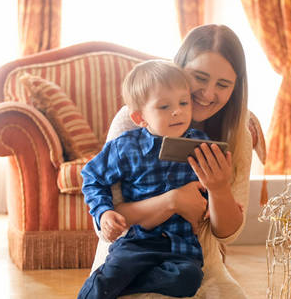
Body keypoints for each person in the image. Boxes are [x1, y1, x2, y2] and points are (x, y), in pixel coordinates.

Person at [92, 24, 252, 299]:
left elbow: (226, 235)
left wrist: (218, 189)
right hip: (128, 257)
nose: (208, 93)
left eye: (223, 85)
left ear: (235, 88)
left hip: (194, 263)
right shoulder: (133, 122)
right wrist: (173, 200)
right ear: (180, 69)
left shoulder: (238, 137)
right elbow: (110, 218)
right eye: (199, 78)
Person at [78, 60, 212, 298]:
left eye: (183, 102)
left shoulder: (201, 145)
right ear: (140, 118)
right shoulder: (126, 147)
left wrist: (215, 201)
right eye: (164, 106)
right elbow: (92, 176)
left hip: (179, 248)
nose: (178, 111)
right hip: (137, 241)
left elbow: (210, 186)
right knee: (108, 278)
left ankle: (129, 282)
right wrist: (103, 212)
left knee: (188, 279)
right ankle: (112, 283)